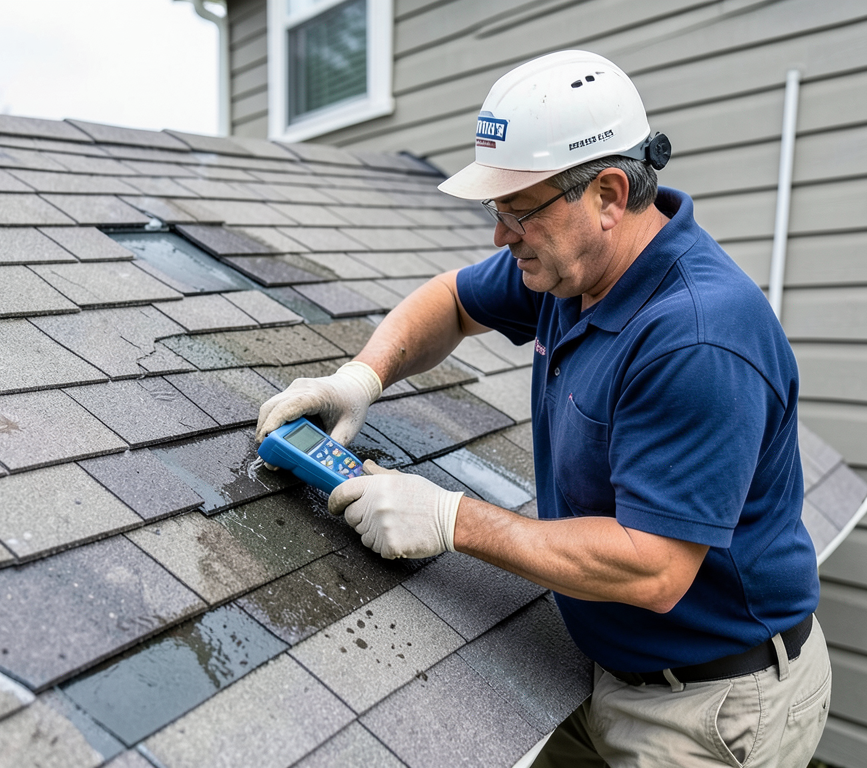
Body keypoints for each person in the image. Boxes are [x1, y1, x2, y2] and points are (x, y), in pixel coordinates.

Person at [256, 50, 830, 767]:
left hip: (710, 703)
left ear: (610, 195)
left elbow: (654, 568)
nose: (500, 237)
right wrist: (361, 377)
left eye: (518, 212)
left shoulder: (698, 339)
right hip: (602, 669)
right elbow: (453, 300)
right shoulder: (571, 265)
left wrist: (450, 519)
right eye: (498, 211)